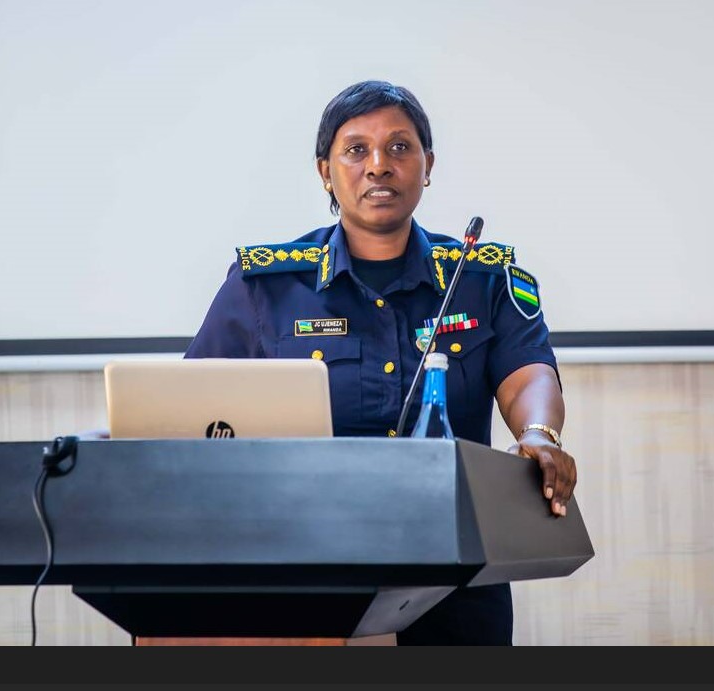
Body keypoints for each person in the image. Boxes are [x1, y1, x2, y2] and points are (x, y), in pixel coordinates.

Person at [184, 79, 577, 646]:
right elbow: (192, 405)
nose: (378, 165)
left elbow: (528, 373)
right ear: (325, 171)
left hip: (454, 565)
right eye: (355, 149)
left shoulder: (483, 277)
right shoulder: (265, 286)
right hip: (308, 563)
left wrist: (539, 434)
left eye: (399, 147)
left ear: (427, 164)